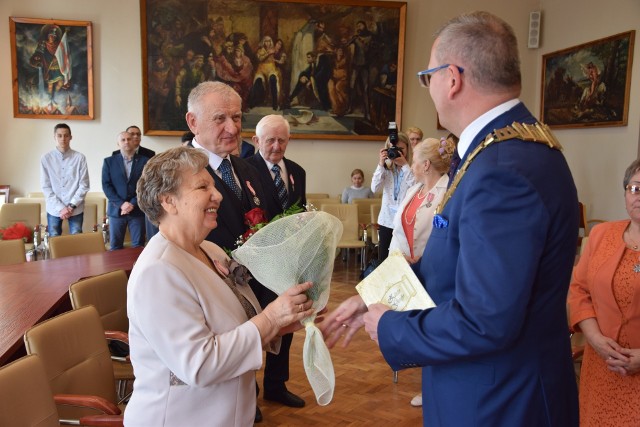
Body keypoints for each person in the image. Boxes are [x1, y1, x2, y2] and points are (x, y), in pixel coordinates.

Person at [321, 11, 579, 426]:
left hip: (498, 399)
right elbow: (452, 263)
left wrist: (389, 327)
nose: (430, 89)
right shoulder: (501, 150)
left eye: (427, 77)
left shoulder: (502, 168)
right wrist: (374, 297)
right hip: (490, 386)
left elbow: (484, 321)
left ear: (452, 78)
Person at [124, 146, 315, 426]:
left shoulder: (210, 249)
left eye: (214, 185)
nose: (218, 195)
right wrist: (271, 317)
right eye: (203, 186)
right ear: (168, 201)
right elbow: (200, 365)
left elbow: (236, 326)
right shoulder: (158, 271)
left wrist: (285, 321)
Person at [567, 159, 640, 426]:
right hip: (601, 367)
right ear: (625, 192)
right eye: (635, 188)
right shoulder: (601, 235)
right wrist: (595, 338)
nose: (639, 197)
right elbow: (579, 290)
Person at [246, 114, 307, 410]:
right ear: (256, 141)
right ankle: (249, 394)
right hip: (255, 267)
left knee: (285, 324)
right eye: (269, 139)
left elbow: (300, 215)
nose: (276, 145)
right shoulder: (245, 170)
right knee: (254, 327)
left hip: (288, 265)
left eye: (282, 139)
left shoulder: (297, 171)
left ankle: (276, 385)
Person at [185, 81, 266, 252]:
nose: (233, 129)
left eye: (236, 117)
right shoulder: (177, 175)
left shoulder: (250, 170)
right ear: (193, 122)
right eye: (219, 118)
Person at [371, 132, 415, 261]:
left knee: (402, 260)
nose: (397, 153)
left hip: (405, 221)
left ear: (408, 149)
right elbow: (374, 188)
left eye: (401, 149)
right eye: (394, 149)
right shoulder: (385, 169)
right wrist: (381, 164)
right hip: (386, 220)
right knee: (384, 260)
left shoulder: (412, 167)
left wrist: (405, 166)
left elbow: (416, 186)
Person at [40, 123, 90, 236]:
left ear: (70, 137)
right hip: (54, 208)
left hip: (75, 208)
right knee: (54, 238)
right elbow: (46, 186)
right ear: (54, 137)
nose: (63, 139)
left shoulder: (80, 158)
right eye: (59, 135)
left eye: (66, 135)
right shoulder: (46, 158)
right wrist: (61, 208)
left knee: (77, 239)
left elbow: (84, 185)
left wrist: (71, 206)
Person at [101, 131, 148, 250]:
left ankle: (136, 269)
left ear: (134, 142)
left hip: (137, 210)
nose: (126, 142)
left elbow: (146, 185)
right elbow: (106, 185)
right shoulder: (109, 162)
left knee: (138, 246)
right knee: (115, 247)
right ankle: (118, 269)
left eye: (129, 139)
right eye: (123, 140)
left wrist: (132, 203)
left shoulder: (145, 161)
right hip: (116, 211)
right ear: (118, 143)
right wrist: (122, 204)